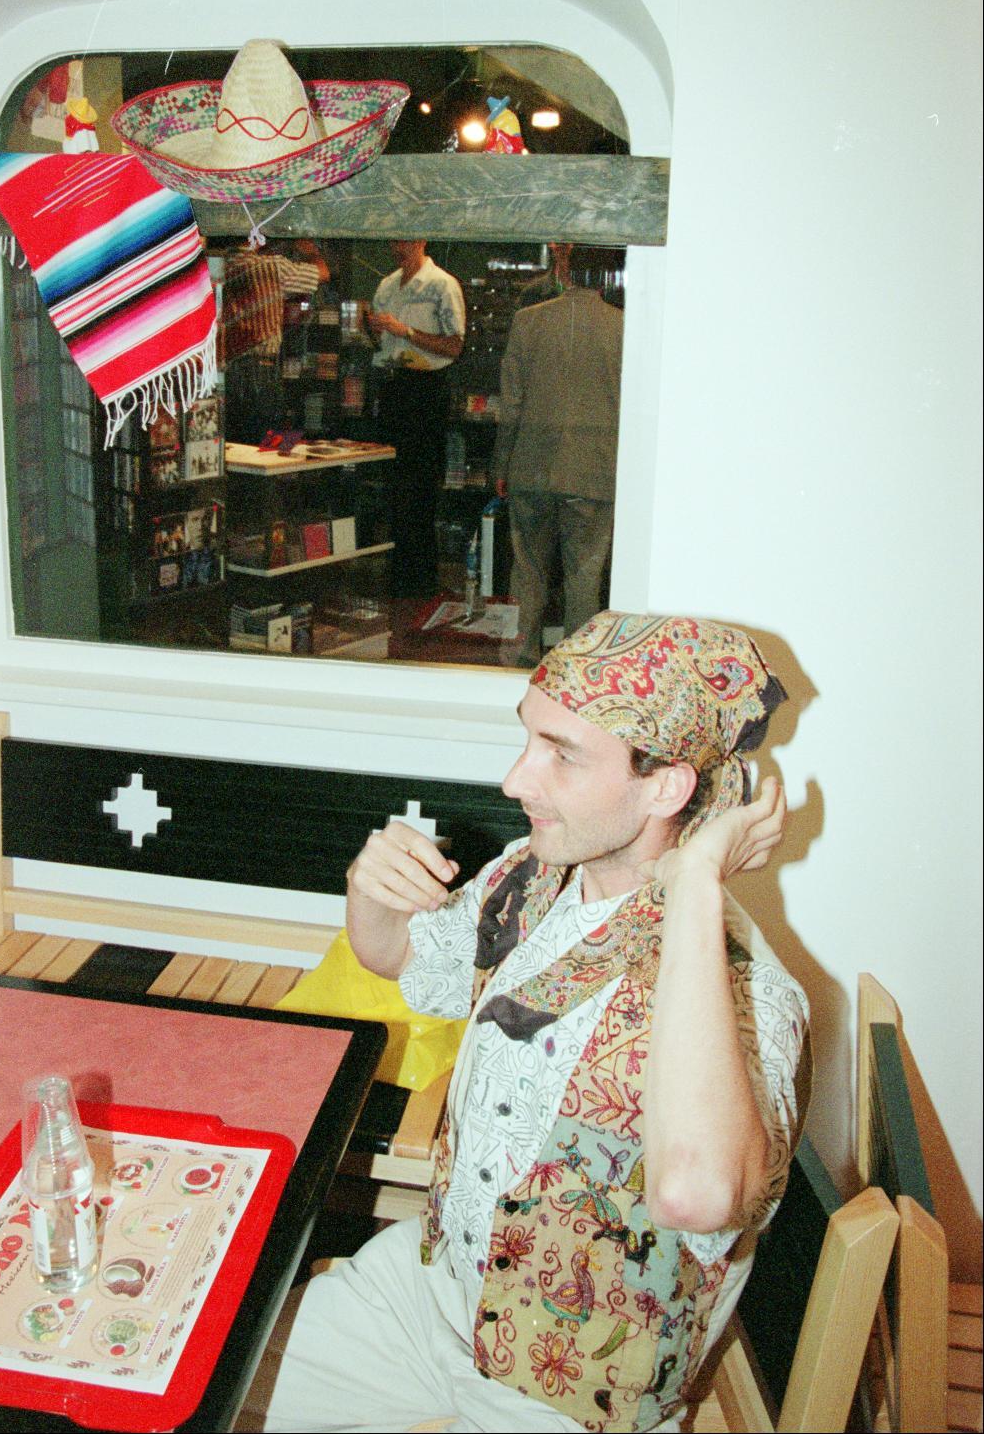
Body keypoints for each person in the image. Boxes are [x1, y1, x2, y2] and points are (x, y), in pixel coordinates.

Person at [243, 613, 808, 1434]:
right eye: (526, 739)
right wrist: (370, 890)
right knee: (193, 1376)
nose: (515, 778)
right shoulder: (534, 878)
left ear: (665, 786)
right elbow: (398, 956)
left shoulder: (748, 993)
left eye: (560, 754)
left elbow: (694, 1193)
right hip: (433, 1294)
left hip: (574, 1386)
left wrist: (693, 884)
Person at [494, 254, 624, 665]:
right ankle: (576, 671)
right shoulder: (624, 328)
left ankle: (517, 660)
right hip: (595, 471)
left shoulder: (527, 321)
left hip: (531, 466)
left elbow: (511, 403)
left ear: (565, 272)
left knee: (527, 570)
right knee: (584, 577)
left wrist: (501, 464)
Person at [366, 239, 465, 597]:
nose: (399, 246)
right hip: (393, 386)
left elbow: (454, 345)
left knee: (421, 487)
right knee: (395, 486)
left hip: (426, 389)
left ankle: (421, 581)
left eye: (406, 239)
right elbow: (380, 343)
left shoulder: (442, 284)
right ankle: (399, 576)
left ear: (422, 240)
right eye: (394, 239)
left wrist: (405, 331)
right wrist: (373, 328)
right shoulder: (387, 285)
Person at [216, 238, 330, 445]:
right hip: (261, 371)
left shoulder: (216, 267)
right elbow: (322, 273)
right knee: (267, 443)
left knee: (233, 444)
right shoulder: (272, 266)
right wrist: (310, 251)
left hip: (223, 372)